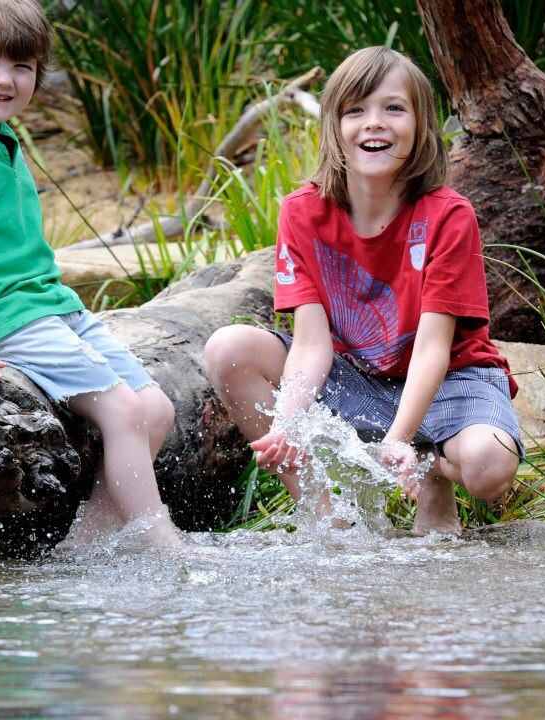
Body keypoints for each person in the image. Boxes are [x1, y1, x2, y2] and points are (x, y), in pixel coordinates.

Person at [0, 0, 181, 549]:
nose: (6, 78)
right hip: (3, 319)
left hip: (50, 304)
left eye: (22, 66)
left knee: (155, 407)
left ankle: (89, 542)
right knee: (121, 409)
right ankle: (159, 541)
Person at [204, 46, 522, 534]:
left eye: (393, 108)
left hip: (449, 380)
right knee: (228, 348)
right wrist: (288, 422)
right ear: (333, 126)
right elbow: (311, 344)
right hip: (357, 378)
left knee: (488, 466)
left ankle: (429, 467)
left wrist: (399, 440)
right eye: (356, 110)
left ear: (421, 126)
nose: (374, 122)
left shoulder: (447, 215)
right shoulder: (303, 211)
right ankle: (325, 517)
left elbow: (434, 348)